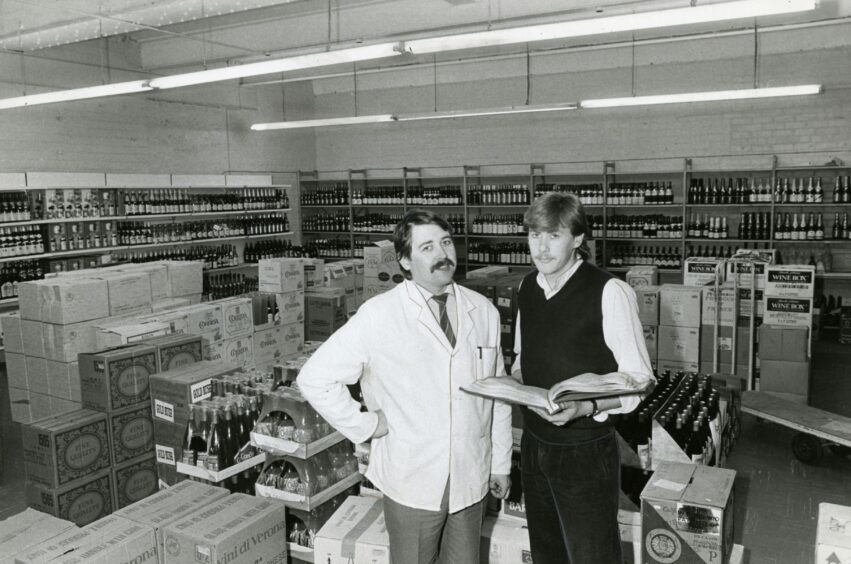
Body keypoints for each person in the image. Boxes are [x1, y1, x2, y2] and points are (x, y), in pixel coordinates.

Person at [297, 209, 513, 564]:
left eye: (445, 242)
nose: (442, 255)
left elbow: (498, 394)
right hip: (413, 477)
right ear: (405, 261)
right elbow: (315, 378)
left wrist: (500, 462)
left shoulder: (483, 310)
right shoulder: (379, 314)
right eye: (426, 247)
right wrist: (365, 425)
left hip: (470, 474)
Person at [511, 191, 654, 564]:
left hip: (585, 450)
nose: (540, 248)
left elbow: (640, 381)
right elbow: (523, 358)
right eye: (534, 235)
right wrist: (511, 382)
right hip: (533, 444)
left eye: (553, 236)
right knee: (547, 553)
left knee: (592, 555)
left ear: (578, 239)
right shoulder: (527, 287)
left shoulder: (610, 292)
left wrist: (586, 406)